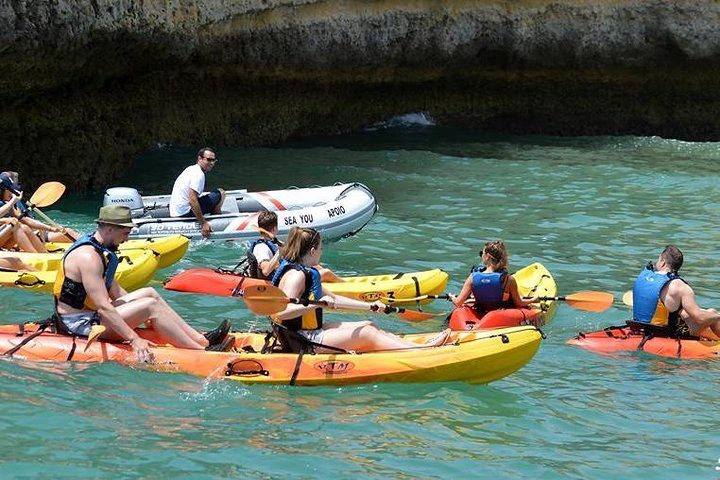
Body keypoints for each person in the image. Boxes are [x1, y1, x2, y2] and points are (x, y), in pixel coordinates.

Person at [53, 205, 234, 362]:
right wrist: (134, 338)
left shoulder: (100, 251)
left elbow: (115, 292)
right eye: (125, 233)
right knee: (150, 306)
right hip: (80, 324)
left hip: (92, 315)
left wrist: (139, 315)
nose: (127, 239)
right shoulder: (89, 257)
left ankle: (202, 340)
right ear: (109, 229)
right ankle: (201, 353)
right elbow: (102, 306)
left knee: (149, 294)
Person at [269, 226, 449, 353]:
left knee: (369, 325)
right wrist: (316, 305)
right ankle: (423, 351)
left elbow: (335, 299)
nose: (321, 252)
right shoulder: (296, 275)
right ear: (313, 250)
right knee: (367, 334)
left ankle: (418, 345)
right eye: (321, 249)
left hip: (307, 333)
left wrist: (371, 305)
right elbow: (282, 311)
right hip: (302, 340)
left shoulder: (306, 273)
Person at [632, 245, 720, 339]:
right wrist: (717, 316)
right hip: (665, 334)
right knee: (713, 313)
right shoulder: (680, 287)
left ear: (662, 263)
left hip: (640, 327)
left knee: (683, 312)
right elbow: (700, 318)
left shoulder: (643, 275)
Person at [246, 210, 344, 282]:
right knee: (326, 273)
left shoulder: (273, 242)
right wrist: (279, 253)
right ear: (275, 228)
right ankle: (345, 285)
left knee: (315, 266)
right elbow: (266, 271)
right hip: (282, 281)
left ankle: (339, 281)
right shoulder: (262, 248)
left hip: (287, 275)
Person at [449, 240, 539, 311]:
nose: (481, 256)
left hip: (481, 312)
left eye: (481, 253)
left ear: (487, 256)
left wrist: (452, 297)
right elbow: (519, 303)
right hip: (501, 314)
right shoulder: (508, 280)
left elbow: (458, 303)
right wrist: (533, 299)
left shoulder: (472, 277)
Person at [0, 171, 80, 243]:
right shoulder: (9, 202)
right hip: (28, 234)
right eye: (13, 186)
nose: (15, 189)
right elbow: (23, 221)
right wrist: (47, 229)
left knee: (69, 231)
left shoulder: (12, 201)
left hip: (33, 232)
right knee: (70, 232)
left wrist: (48, 228)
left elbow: (25, 220)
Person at [168, 147, 226, 238]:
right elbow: (192, 200)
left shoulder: (191, 169)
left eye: (214, 160)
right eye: (209, 160)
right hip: (184, 213)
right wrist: (203, 223)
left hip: (176, 212)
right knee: (220, 193)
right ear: (200, 159)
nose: (211, 163)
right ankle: (217, 216)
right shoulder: (199, 174)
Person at [0, 173, 49, 252]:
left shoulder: (7, 204)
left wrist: (50, 228)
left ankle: (44, 255)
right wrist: (13, 201)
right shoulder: (9, 203)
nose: (12, 193)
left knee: (25, 228)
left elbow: (24, 219)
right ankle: (35, 256)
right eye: (10, 190)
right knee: (14, 222)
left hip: (3, 238)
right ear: (3, 190)